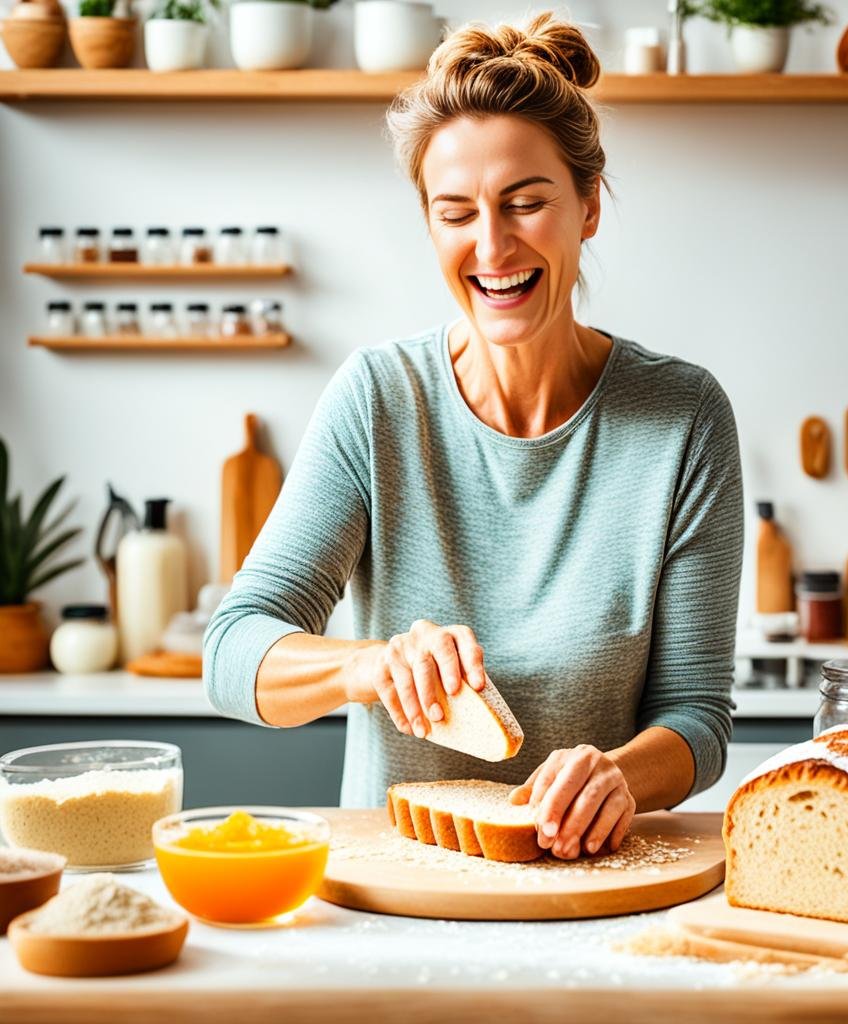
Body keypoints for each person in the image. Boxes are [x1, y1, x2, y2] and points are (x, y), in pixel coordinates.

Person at [205, 12, 743, 861]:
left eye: (527, 203)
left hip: (596, 883)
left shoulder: (683, 417)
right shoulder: (379, 399)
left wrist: (621, 777)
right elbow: (232, 652)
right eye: (456, 213)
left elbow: (697, 716)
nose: (493, 246)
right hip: (402, 885)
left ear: (589, 206)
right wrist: (371, 667)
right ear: (429, 224)